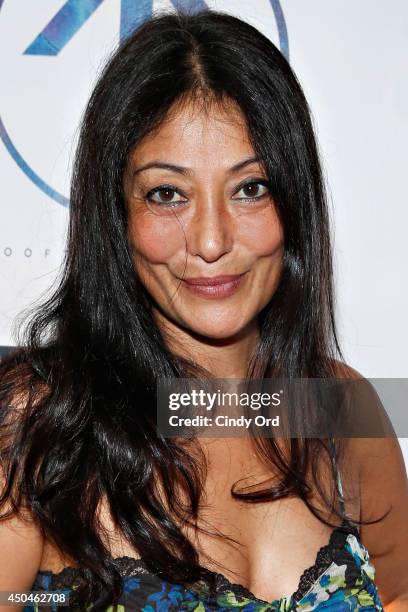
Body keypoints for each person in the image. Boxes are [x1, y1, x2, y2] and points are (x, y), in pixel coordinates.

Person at [0, 8, 407, 612]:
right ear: (118, 216)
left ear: (294, 202)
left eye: (250, 188)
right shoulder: (40, 421)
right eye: (168, 194)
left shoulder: (340, 407)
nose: (212, 241)